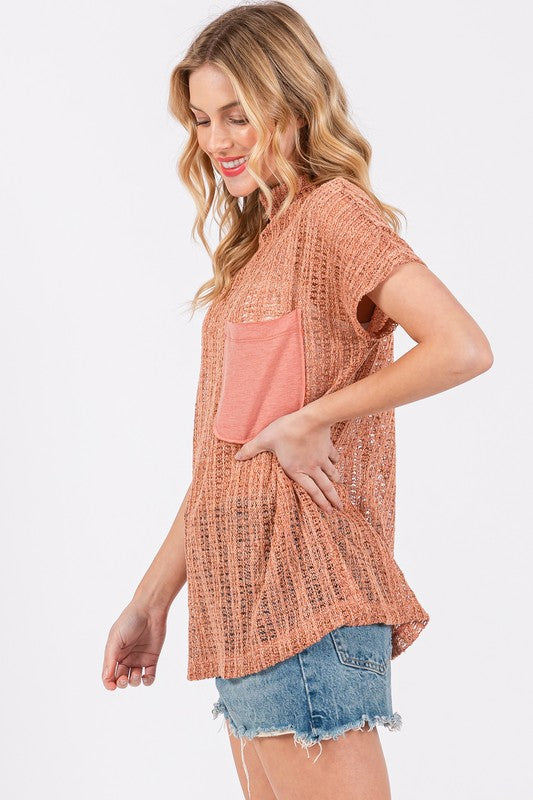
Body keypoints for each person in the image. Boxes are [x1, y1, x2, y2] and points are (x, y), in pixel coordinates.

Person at [101, 3, 494, 799]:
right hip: (243, 616)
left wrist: (316, 416)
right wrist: (150, 599)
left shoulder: (332, 216)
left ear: (293, 103)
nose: (216, 141)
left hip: (305, 608)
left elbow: (461, 346)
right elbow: (230, 456)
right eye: (202, 120)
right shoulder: (259, 251)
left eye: (238, 115)